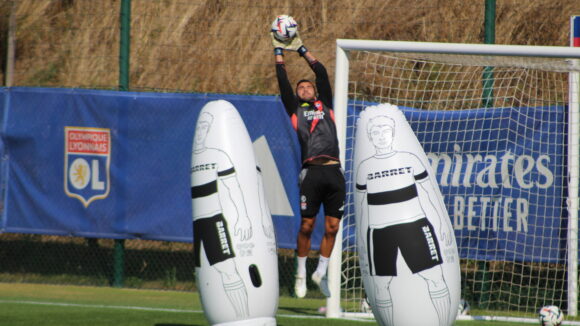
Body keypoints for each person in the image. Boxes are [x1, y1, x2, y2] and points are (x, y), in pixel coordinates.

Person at [355, 114, 451, 326]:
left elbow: (428, 192)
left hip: (415, 226)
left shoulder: (410, 159)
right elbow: (362, 205)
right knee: (381, 285)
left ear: (393, 133)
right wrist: (361, 237)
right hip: (379, 232)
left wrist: (442, 224)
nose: (381, 136)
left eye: (385, 131)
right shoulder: (365, 167)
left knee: (435, 277)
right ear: (370, 137)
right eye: (376, 133)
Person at [271, 30, 345, 298]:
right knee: (306, 226)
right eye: (300, 87)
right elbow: (282, 82)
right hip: (312, 173)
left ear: (315, 91)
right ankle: (301, 271)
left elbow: (322, 72)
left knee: (333, 227)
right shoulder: (295, 110)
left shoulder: (325, 104)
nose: (304, 88)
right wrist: (278, 52)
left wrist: (300, 49)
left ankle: (320, 272)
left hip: (334, 172)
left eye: (308, 86)